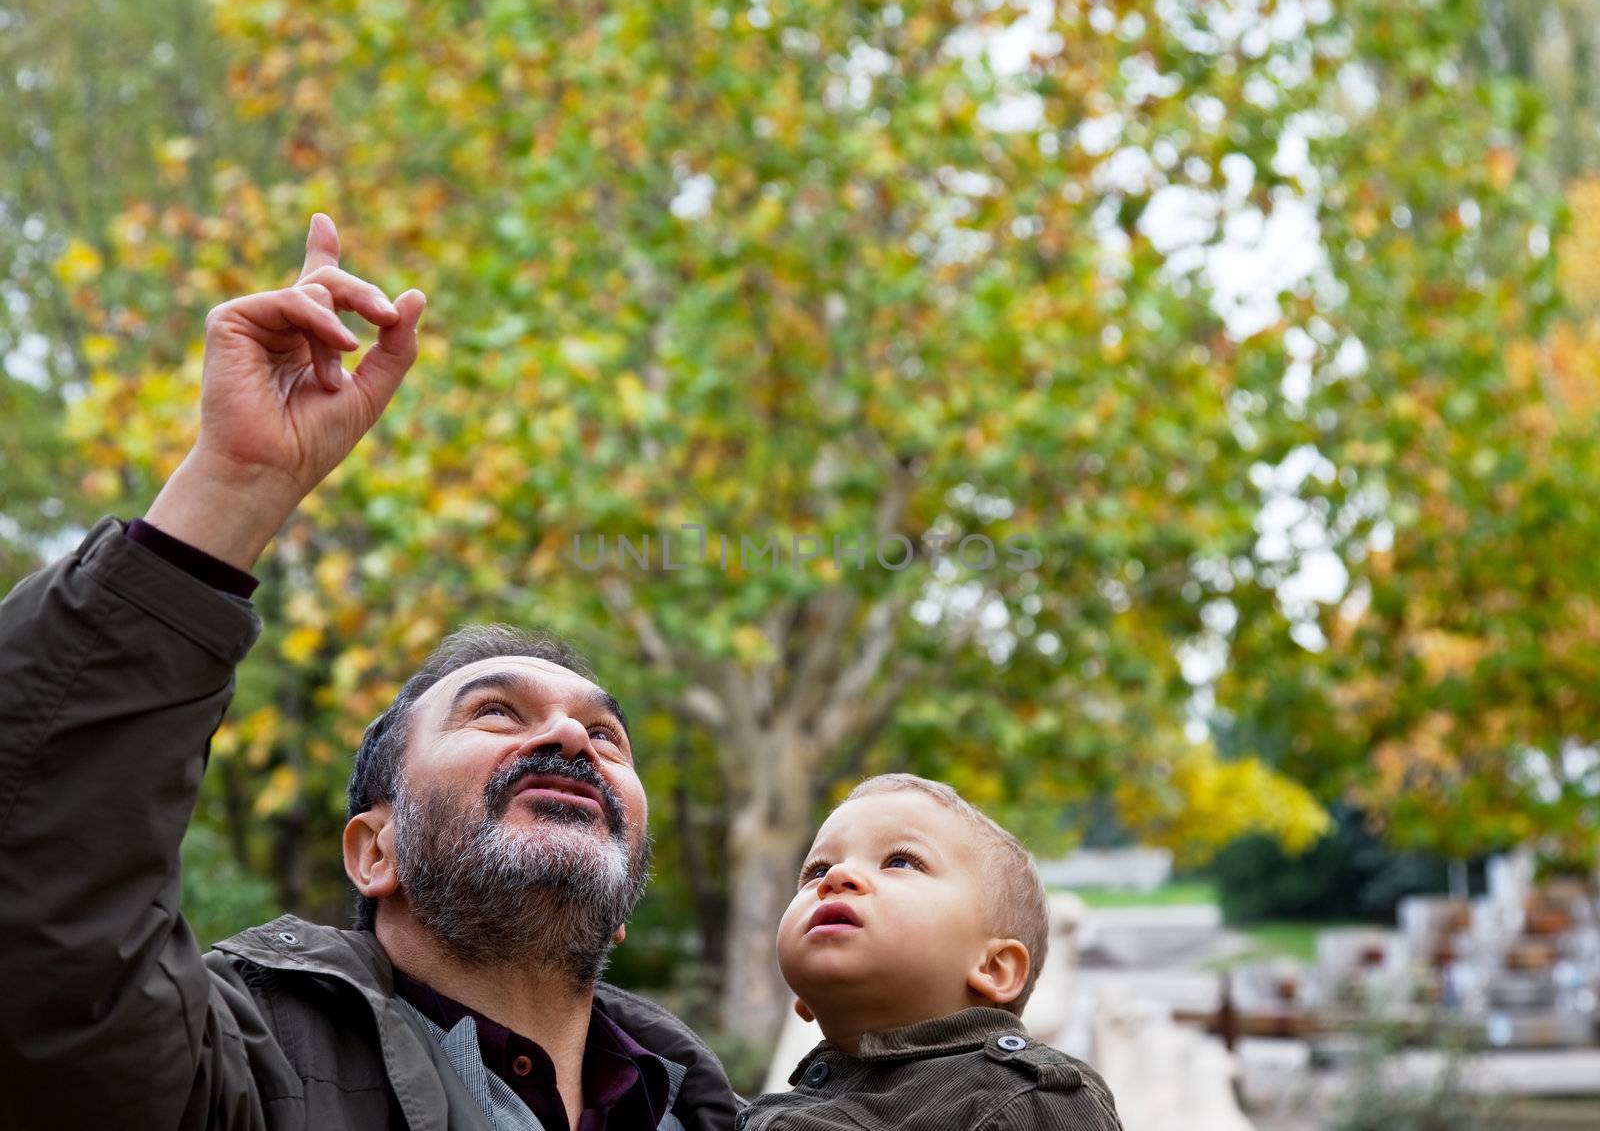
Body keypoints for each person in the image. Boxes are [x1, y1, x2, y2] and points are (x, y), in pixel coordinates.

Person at [0, 215, 740, 1130]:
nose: (566, 736)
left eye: (603, 735)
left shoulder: (731, 1116)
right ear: (373, 851)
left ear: (624, 899)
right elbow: (46, 896)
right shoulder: (228, 1074)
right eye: (497, 714)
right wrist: (232, 487)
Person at [742, 773, 1123, 1130]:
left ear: (994, 968)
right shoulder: (768, 1109)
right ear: (804, 1001)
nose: (838, 878)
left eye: (900, 861)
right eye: (818, 871)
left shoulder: (1027, 1100)